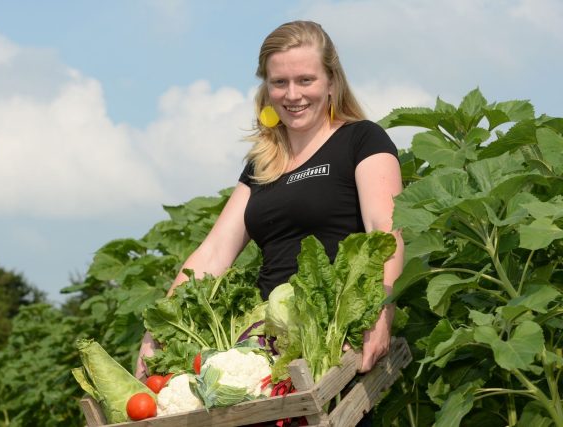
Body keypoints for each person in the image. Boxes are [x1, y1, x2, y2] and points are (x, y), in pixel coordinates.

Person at [136, 19, 404, 424]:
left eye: (305, 80)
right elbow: (213, 252)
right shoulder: (263, 164)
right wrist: (156, 332)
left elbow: (386, 231)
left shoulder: (362, 140)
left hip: (334, 341)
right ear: (266, 88)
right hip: (267, 353)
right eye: (280, 82)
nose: (292, 95)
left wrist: (382, 314)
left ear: (332, 82)